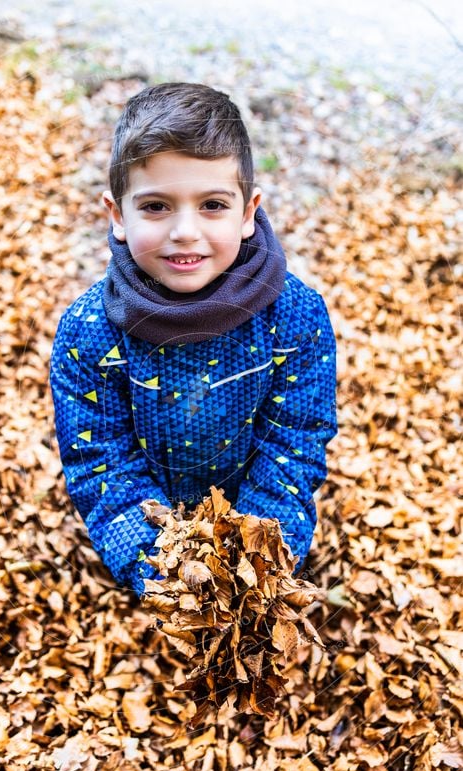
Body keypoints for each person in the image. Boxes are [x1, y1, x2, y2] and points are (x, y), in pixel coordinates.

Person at [50, 82, 337, 595]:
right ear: (118, 216)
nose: (185, 231)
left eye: (212, 205)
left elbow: (295, 439)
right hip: (156, 541)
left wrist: (257, 553)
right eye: (157, 207)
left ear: (248, 212)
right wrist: (159, 565)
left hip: (256, 529)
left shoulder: (294, 316)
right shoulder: (89, 333)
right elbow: (100, 461)